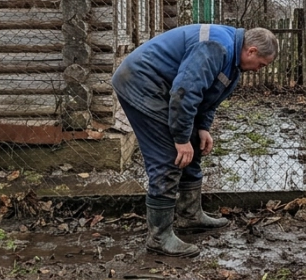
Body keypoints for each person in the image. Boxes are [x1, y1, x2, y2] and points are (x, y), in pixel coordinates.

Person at [112, 24, 278, 257]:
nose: (260, 69)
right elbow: (185, 92)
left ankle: (190, 215)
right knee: (169, 156)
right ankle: (159, 237)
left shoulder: (232, 61)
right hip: (141, 83)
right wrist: (180, 138)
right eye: (262, 64)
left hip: (163, 88)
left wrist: (201, 128)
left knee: (193, 146)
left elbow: (207, 96)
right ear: (251, 51)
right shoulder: (216, 47)